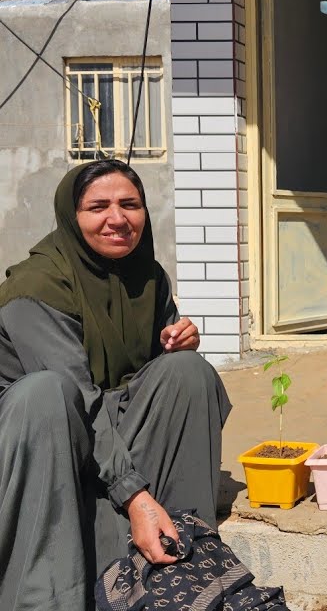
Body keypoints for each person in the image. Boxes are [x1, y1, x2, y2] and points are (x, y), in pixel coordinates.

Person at [0, 159, 231, 609]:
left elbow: (145, 376)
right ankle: (46, 595)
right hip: (37, 441)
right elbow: (79, 400)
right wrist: (136, 497)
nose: (117, 219)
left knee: (188, 373)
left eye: (130, 204)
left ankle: (182, 557)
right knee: (47, 392)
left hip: (101, 432)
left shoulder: (148, 275)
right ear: (71, 216)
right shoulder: (36, 287)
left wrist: (179, 342)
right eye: (97, 207)